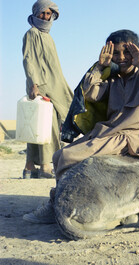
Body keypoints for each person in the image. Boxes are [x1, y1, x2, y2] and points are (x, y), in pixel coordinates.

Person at [23, 29, 139, 223]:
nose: (121, 58)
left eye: (127, 52)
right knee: (57, 155)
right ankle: (59, 198)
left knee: (65, 156)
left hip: (126, 137)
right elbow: (90, 94)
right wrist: (99, 67)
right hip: (106, 133)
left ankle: (56, 201)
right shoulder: (113, 80)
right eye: (116, 53)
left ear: (136, 52)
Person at [22, 0, 73, 179]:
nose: (45, 17)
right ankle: (44, 166)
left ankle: (29, 166)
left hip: (54, 85)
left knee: (36, 124)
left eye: (48, 14)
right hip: (41, 86)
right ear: (35, 14)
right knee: (45, 124)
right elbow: (29, 60)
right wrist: (34, 84)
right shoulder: (32, 33)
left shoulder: (48, 37)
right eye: (42, 13)